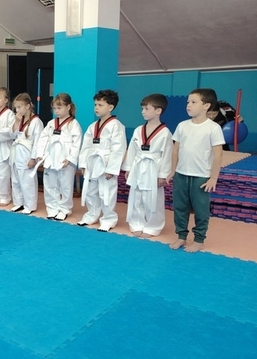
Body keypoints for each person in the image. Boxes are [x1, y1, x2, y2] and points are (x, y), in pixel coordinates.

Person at [167, 88, 225, 253]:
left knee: (201, 210)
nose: (188, 105)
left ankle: (199, 239)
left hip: (201, 176)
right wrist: (173, 170)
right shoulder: (182, 126)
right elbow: (175, 150)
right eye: (188, 102)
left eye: (193, 102)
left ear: (206, 105)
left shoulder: (213, 128)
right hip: (181, 174)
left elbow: (218, 155)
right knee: (180, 208)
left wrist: (213, 178)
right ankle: (181, 236)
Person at [121, 93, 173, 237]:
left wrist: (163, 175)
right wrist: (128, 168)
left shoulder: (165, 133)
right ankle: (136, 223)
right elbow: (132, 150)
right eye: (142, 108)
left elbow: (167, 155)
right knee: (136, 196)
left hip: (154, 168)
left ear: (158, 111)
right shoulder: (138, 130)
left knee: (153, 199)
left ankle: (153, 226)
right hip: (138, 165)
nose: (143, 111)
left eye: (146, 108)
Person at [77, 89, 127, 231]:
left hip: (106, 163)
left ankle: (109, 218)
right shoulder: (92, 126)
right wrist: (83, 164)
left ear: (110, 107)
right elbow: (86, 146)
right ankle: (92, 214)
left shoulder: (116, 126)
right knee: (91, 191)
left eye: (100, 105)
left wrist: (111, 168)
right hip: (93, 162)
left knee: (107, 192)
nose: (96, 108)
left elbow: (119, 149)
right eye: (95, 105)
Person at [35, 93, 83, 221]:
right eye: (55, 108)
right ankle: (52, 207)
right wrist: (40, 154)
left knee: (65, 185)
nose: (56, 111)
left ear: (69, 107)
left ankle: (64, 209)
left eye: (59, 108)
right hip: (51, 157)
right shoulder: (51, 123)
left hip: (65, 159)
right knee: (50, 184)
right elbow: (43, 139)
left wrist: (71, 158)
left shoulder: (73, 124)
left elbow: (77, 143)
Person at [9, 93, 43, 215]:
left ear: (28, 106)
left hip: (27, 153)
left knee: (27, 181)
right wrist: (16, 121)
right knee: (16, 179)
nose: (17, 110)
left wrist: (33, 158)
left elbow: (38, 142)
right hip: (16, 152)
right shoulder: (19, 120)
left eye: (19, 107)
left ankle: (30, 205)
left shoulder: (36, 121)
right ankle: (19, 202)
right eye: (16, 108)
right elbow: (12, 135)